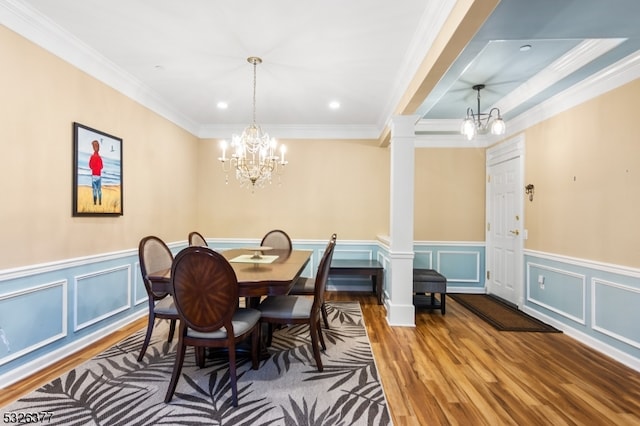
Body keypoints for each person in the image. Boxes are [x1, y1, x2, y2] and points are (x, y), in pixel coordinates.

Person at [89, 140, 103, 205]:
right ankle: (100, 202)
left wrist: (94, 168)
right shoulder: (100, 157)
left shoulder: (92, 157)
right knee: (99, 190)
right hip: (99, 176)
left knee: (94, 190)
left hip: (94, 175)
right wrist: (98, 168)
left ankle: (95, 203)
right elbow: (102, 166)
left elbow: (90, 166)